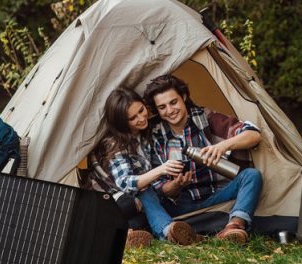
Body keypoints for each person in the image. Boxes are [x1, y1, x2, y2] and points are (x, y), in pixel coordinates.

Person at [143, 74, 263, 245]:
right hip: (179, 205)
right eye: (162, 107)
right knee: (144, 192)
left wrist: (223, 146)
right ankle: (171, 232)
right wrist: (176, 185)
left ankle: (234, 227)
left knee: (252, 176)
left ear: (184, 97)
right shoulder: (155, 134)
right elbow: (161, 189)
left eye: (173, 102)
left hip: (215, 195)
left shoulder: (205, 118)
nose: (169, 110)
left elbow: (253, 134)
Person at [101, 86, 200, 245]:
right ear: (122, 122)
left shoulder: (148, 132)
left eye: (141, 110)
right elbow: (126, 183)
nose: (141, 118)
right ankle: (167, 232)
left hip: (147, 201)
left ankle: (130, 236)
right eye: (132, 118)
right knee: (143, 193)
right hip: (118, 202)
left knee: (141, 220)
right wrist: (161, 170)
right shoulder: (115, 143)